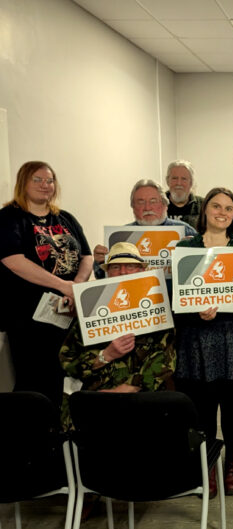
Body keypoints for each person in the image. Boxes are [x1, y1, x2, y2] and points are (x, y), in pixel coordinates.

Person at [174, 188, 233, 497]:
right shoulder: (186, 248)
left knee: (232, 410)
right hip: (198, 338)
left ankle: (232, 463)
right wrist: (196, 312)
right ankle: (209, 465)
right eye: (216, 206)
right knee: (203, 410)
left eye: (228, 208)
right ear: (205, 211)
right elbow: (177, 301)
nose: (222, 212)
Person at [0, 161, 93, 408]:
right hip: (29, 319)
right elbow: (14, 261)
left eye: (50, 181)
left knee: (67, 378)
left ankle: (64, 428)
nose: (45, 185)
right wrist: (63, 285)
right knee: (35, 381)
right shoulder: (9, 218)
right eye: (37, 180)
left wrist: (76, 286)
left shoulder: (65, 218)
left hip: (68, 313)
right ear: (23, 183)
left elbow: (87, 256)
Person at [59, 243, 175, 420]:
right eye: (115, 267)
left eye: (130, 266)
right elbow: (67, 360)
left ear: (141, 271)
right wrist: (105, 356)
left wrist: (129, 388)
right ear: (107, 272)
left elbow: (166, 358)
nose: (122, 272)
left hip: (144, 404)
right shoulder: (89, 310)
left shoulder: (157, 309)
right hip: (96, 402)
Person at [92, 179, 197, 279]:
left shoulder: (186, 231)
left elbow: (201, 271)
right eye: (140, 202)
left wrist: (196, 254)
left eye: (153, 201)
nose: (147, 207)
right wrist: (99, 261)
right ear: (133, 207)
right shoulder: (120, 236)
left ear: (165, 205)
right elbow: (103, 278)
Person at [165, 160, 203, 226]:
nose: (179, 183)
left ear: (191, 182)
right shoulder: (157, 204)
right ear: (167, 181)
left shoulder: (203, 205)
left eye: (184, 179)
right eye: (175, 178)